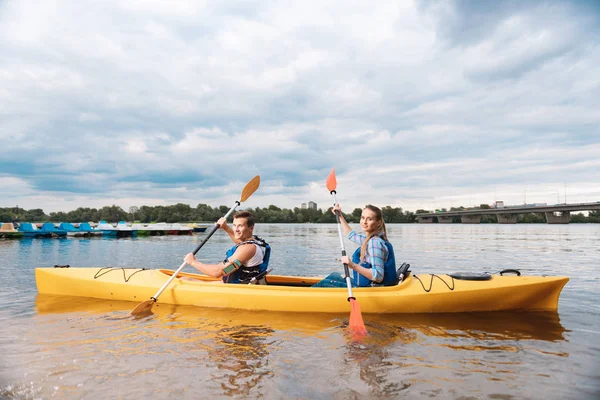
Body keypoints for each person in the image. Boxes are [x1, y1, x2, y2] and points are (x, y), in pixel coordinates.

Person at [313, 204, 396, 288]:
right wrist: (340, 215)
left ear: (378, 223)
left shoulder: (375, 243)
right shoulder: (370, 239)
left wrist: (352, 265)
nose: (364, 222)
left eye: (369, 219)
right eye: (363, 218)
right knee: (334, 276)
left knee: (323, 284)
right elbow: (351, 235)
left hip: (371, 289)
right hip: (367, 286)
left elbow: (378, 276)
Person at [184, 210, 271, 284]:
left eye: (240, 226)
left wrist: (193, 262)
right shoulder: (255, 241)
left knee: (185, 280)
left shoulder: (247, 249)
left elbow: (219, 272)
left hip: (238, 289)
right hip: (242, 284)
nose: (236, 229)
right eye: (234, 225)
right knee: (185, 279)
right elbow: (240, 242)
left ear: (251, 228)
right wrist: (225, 227)